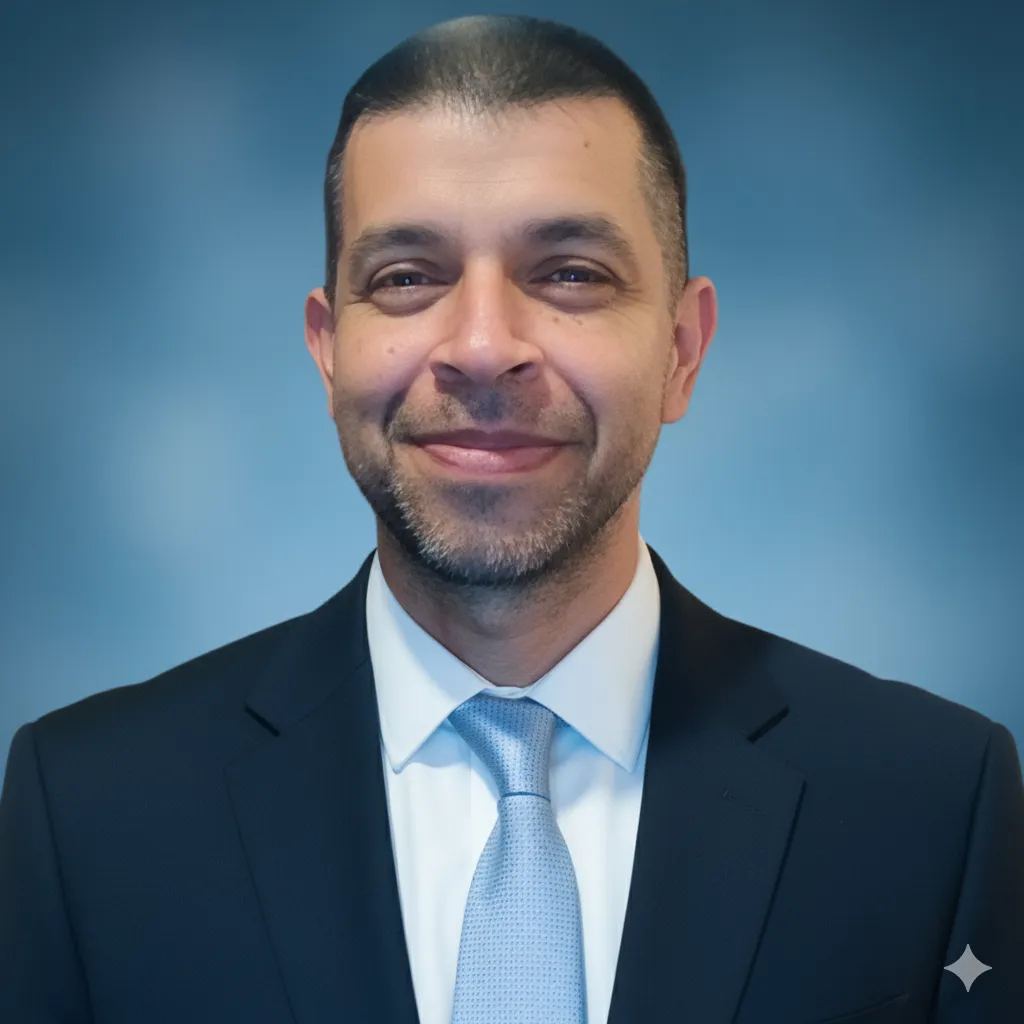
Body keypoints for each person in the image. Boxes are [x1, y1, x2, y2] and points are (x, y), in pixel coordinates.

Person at [1, 13, 1021, 1024]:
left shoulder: (934, 800)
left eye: (569, 272)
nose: (483, 346)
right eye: (406, 277)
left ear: (681, 350)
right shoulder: (88, 811)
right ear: (327, 349)